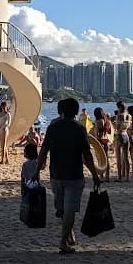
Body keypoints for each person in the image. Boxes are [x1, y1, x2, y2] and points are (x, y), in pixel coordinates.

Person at [38, 98, 102, 254]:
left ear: (61, 111)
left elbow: (44, 151)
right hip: (74, 175)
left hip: (56, 175)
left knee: (62, 209)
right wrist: (94, 174)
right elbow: (87, 155)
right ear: (76, 111)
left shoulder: (53, 128)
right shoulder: (80, 129)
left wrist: (36, 171)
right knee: (69, 210)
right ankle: (63, 241)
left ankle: (67, 237)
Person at [92, 107, 111, 183]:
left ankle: (101, 176)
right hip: (106, 140)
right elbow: (109, 131)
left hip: (99, 141)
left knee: (100, 160)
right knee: (106, 159)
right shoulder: (107, 121)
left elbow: (96, 134)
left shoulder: (98, 121)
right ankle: (107, 177)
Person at [114, 102, 131, 182]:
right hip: (126, 135)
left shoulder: (119, 116)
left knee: (118, 158)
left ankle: (119, 177)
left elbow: (117, 128)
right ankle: (127, 176)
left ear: (119, 107)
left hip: (119, 135)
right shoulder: (129, 116)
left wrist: (113, 123)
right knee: (126, 158)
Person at [0, 101, 11, 165]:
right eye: (3, 106)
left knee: (3, 146)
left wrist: (4, 127)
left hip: (5, 130)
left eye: (5, 106)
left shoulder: (8, 114)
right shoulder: (0, 114)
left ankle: (2, 160)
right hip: (1, 129)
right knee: (3, 145)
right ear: (1, 107)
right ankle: (7, 160)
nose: (4, 108)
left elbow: (8, 124)